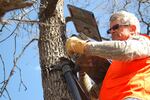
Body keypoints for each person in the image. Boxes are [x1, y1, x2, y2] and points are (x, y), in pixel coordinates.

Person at [65, 10, 150, 100]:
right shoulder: (115, 68)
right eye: (110, 30)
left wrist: (84, 46)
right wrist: (82, 73)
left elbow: (124, 49)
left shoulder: (145, 42)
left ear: (132, 29)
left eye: (116, 27)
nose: (112, 32)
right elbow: (92, 95)